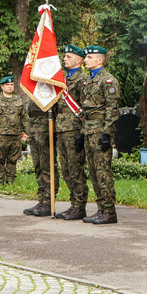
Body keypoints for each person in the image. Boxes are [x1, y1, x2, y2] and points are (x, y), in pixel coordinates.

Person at [80, 45, 121, 224]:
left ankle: (109, 211)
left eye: (90, 57)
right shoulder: (88, 81)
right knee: (94, 171)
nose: (86, 59)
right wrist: (82, 132)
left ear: (100, 60)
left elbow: (112, 110)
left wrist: (107, 133)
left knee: (103, 172)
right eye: (86, 57)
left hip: (100, 131)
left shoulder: (108, 81)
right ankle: (100, 208)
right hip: (89, 130)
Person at [53, 45, 90, 220]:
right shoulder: (63, 79)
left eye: (68, 56)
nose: (65, 58)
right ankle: (73, 203)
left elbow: (85, 109)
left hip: (74, 128)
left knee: (76, 168)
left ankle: (80, 206)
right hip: (62, 128)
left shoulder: (83, 79)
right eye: (65, 56)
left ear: (79, 60)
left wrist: (82, 132)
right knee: (66, 168)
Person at [0, 76, 26, 187]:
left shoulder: (19, 99)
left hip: (15, 135)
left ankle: (11, 181)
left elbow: (23, 117)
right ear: (2, 86)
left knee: (13, 159)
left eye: (12, 85)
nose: (10, 87)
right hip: (0, 136)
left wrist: (26, 131)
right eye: (7, 85)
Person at [24, 92, 59, 217]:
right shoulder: (34, 83)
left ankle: (49, 201)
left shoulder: (47, 80)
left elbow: (55, 107)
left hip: (45, 123)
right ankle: (42, 199)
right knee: (38, 165)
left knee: (47, 165)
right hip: (33, 124)